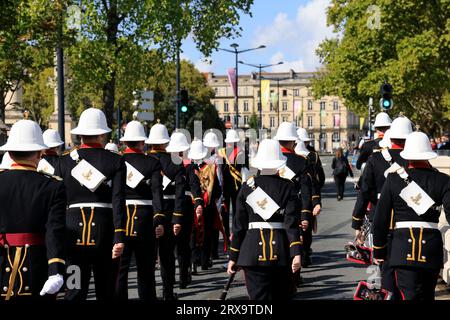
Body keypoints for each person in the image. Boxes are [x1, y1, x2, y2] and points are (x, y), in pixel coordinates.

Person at [56, 108, 126, 301]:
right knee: (106, 290)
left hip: (72, 234)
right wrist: (119, 233)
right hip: (105, 231)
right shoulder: (116, 160)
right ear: (103, 133)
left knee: (74, 290)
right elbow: (118, 199)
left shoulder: (64, 161)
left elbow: (58, 203)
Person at [372, 131, 450, 300]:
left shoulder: (393, 179)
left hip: (402, 249)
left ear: (407, 155)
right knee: (427, 296)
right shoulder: (443, 180)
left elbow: (380, 220)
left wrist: (378, 251)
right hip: (431, 250)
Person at [227, 139, 302, 300]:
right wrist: (296, 252)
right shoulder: (288, 187)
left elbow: (239, 226)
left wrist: (233, 256)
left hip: (252, 253)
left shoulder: (247, 187)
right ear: (279, 163)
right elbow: (291, 224)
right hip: (281, 252)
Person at [0, 120, 66, 300]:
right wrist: (56, 269)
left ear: (10, 153)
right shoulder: (53, 186)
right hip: (36, 264)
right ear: (39, 153)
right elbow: (54, 231)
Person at [115, 120, 164, 301]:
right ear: (142, 142)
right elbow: (156, 192)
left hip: (121, 217)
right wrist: (158, 218)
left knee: (121, 269)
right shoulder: (152, 162)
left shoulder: (117, 160)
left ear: (125, 142)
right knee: (146, 269)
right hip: (145, 218)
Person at [145, 122, 183, 300]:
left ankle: (149, 292)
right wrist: (177, 217)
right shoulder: (175, 161)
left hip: (148, 211)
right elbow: (180, 192)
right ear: (166, 142)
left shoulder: (145, 160)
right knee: (167, 256)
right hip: (169, 211)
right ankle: (168, 292)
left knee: (149, 257)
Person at [166, 132, 203, 288]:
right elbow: (195, 187)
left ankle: (173, 278)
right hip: (185, 207)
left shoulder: (164, 165)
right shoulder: (189, 166)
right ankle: (183, 276)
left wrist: (198, 203)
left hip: (168, 207)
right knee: (183, 245)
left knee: (170, 246)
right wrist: (198, 203)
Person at [274, 122, 313, 274]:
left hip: (273, 208)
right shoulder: (301, 161)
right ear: (292, 142)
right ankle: (294, 276)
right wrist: (305, 215)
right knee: (294, 241)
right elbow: (305, 192)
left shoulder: (270, 161)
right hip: (294, 208)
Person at [189, 139, 222, 272]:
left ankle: (193, 259)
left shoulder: (187, 168)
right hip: (207, 206)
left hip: (192, 205)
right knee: (207, 233)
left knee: (193, 233)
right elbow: (218, 190)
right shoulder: (211, 168)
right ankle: (204, 260)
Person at [296, 127, 324, 267]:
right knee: (307, 227)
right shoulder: (313, 156)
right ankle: (305, 254)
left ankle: (302, 255)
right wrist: (317, 197)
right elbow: (320, 178)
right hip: (308, 195)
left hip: (299, 197)